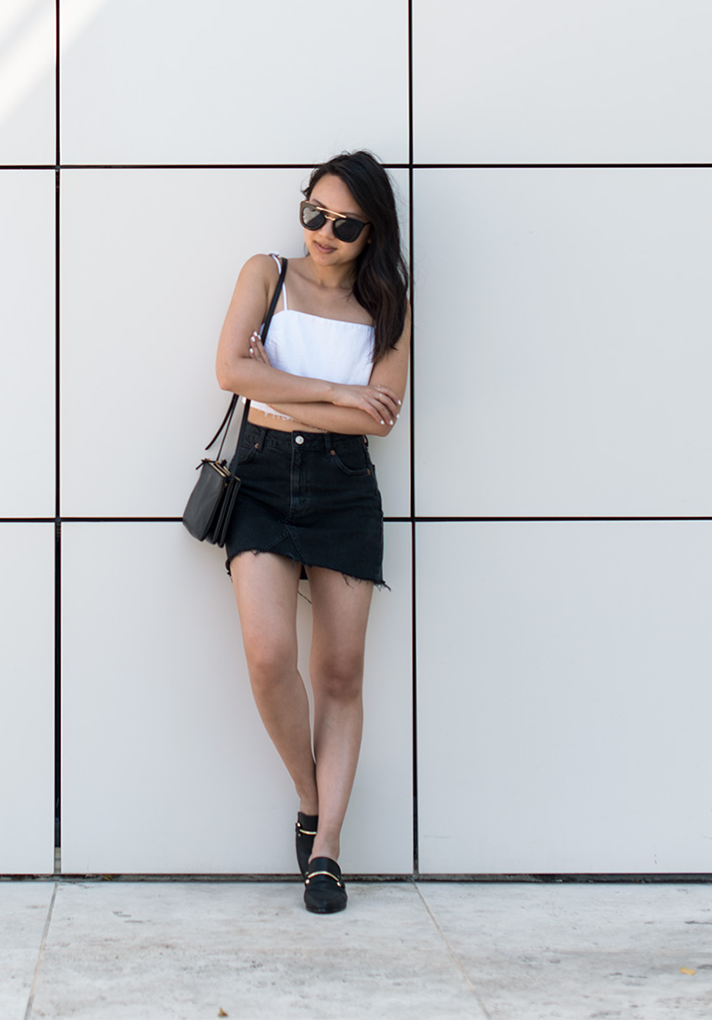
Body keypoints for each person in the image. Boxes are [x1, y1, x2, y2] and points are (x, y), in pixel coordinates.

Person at [214, 150, 410, 914]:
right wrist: (335, 392)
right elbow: (231, 372)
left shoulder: (391, 302)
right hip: (261, 481)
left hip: (344, 490)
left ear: (373, 231)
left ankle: (325, 847)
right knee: (269, 658)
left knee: (339, 676)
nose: (324, 232)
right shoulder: (265, 274)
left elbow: (381, 418)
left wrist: (283, 392)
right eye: (314, 213)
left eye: (345, 223)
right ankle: (307, 793)